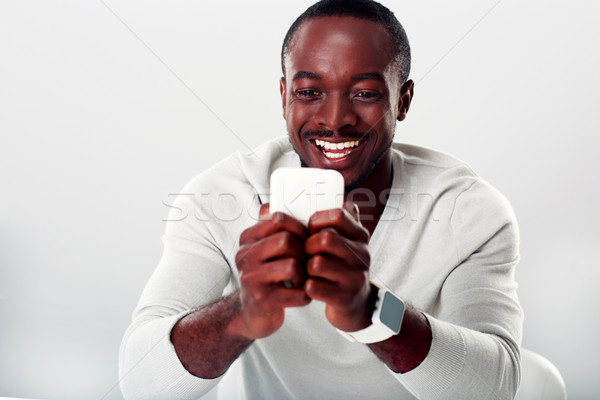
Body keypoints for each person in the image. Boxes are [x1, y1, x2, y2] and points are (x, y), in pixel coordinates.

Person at [119, 0, 523, 399]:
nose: (334, 120)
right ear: (284, 96)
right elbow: (140, 384)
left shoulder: (469, 210)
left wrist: (373, 310)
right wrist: (241, 312)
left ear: (403, 100)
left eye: (365, 93)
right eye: (309, 91)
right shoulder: (220, 195)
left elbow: (496, 388)